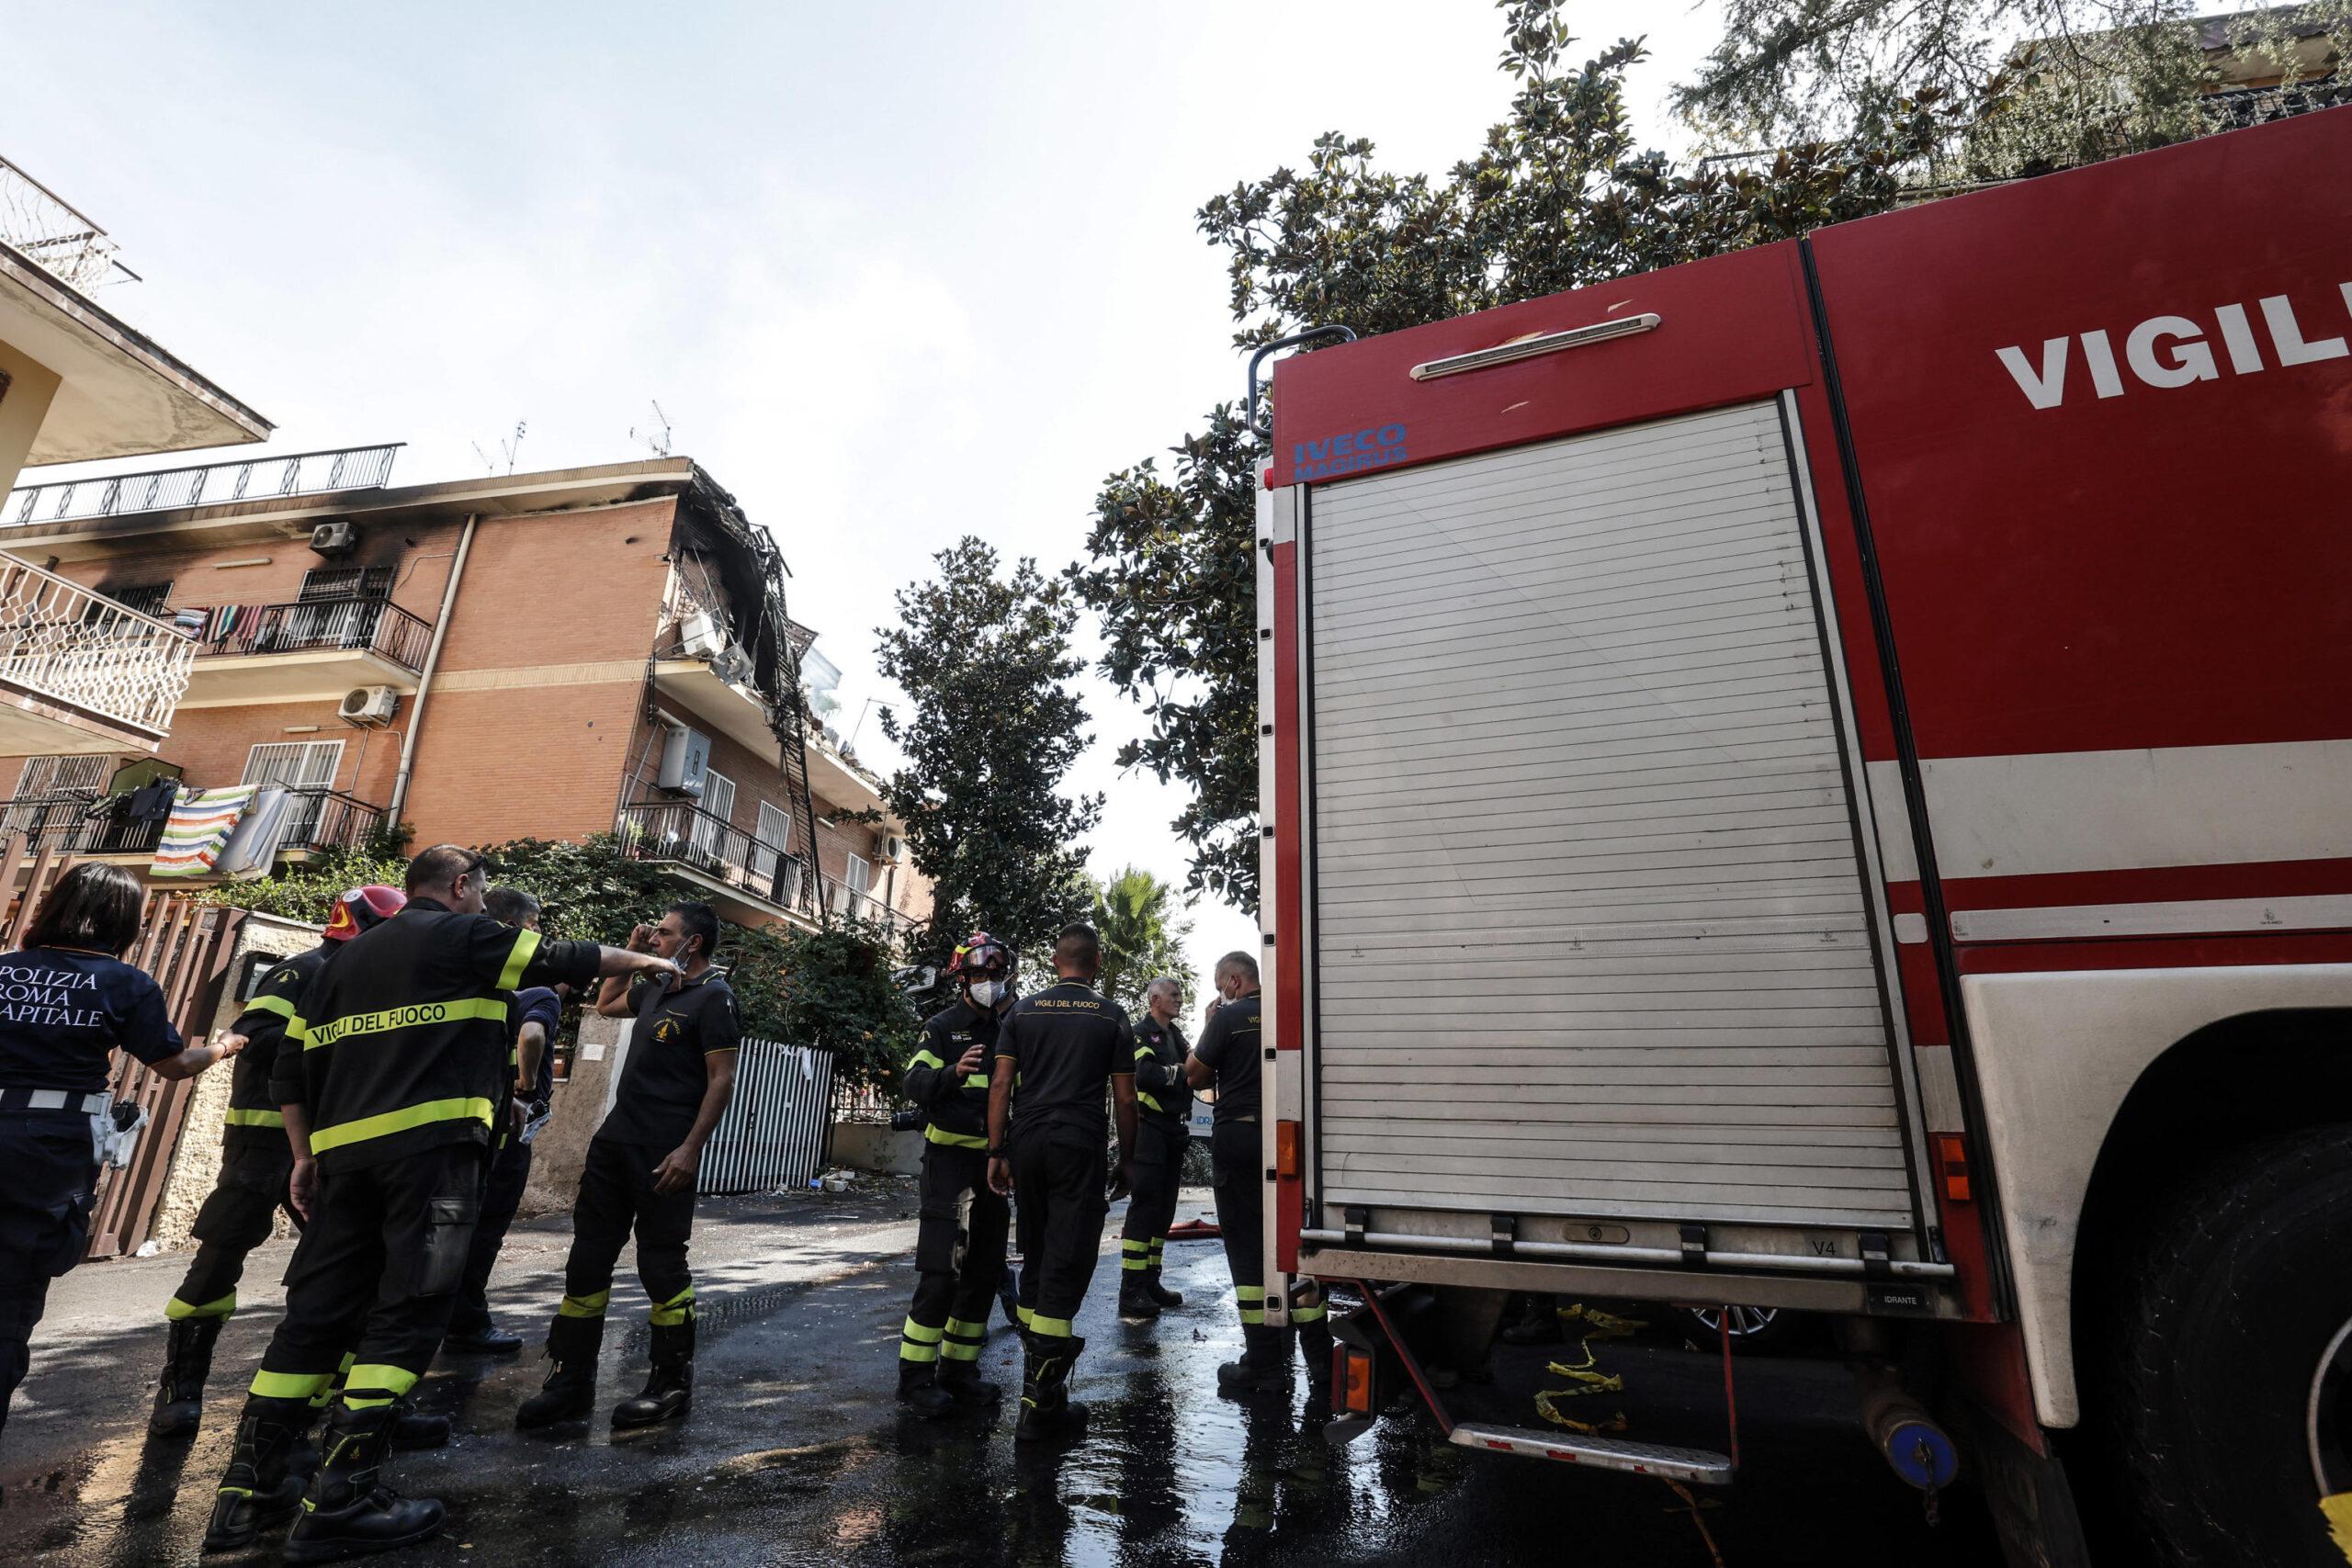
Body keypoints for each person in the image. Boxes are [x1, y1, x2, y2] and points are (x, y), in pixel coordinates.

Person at [203, 845, 679, 1562]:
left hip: (340, 1164)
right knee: (406, 1314)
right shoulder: (460, 934)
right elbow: (561, 955)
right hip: (428, 1161)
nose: (485, 908)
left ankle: (247, 1493)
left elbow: (290, 1069)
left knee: (316, 1316)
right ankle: (341, 1498)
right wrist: (646, 962)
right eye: (481, 896)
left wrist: (302, 1156)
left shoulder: (341, 964)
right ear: (460, 887)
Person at [147, 885, 407, 1438]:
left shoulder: (368, 978)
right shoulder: (302, 971)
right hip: (262, 1146)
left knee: (342, 1266)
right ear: (365, 926)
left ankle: (334, 1392)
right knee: (220, 1258)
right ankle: (181, 1386)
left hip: (326, 1148)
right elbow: (258, 1036)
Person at [1, 863, 243, 1441]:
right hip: (46, 1152)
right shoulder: (126, 984)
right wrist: (223, 1047)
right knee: (10, 1300)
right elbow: (173, 1065)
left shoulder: (5, 972)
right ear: (125, 921)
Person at [515, 899, 739, 1433]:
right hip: (615, 1142)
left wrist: (690, 1150)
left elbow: (721, 1081)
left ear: (695, 943)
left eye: (664, 934)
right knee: (588, 1259)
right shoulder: (659, 986)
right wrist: (634, 951)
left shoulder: (715, 998)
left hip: (665, 1152)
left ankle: (669, 1383)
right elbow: (607, 1003)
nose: (656, 938)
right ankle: (571, 1380)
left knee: (660, 1266)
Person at [985, 921, 1137, 1443]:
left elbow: (1002, 1083)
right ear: (1096, 964)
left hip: (1027, 1143)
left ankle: (1041, 1386)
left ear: (1056, 961)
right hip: (1079, 1145)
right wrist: (1130, 1160)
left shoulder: (1022, 1011)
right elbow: (1126, 1098)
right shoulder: (1112, 1016)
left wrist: (996, 1150)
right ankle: (1041, 1404)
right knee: (1069, 1258)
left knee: (1036, 1249)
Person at [1187, 951, 1329, 1395]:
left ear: (1232, 981)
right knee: (1297, 1243)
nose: (1219, 994)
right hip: (1293, 1144)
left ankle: (1263, 1362)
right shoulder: (1293, 1013)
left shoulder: (1227, 1019)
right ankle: (1322, 1362)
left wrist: (1208, 1021)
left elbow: (1194, 1076)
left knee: (1248, 1248)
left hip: (1241, 1141)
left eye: (1218, 986)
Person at [895, 931, 1015, 1417]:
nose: (987, 983)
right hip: (947, 1167)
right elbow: (913, 1084)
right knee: (940, 1273)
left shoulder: (1015, 1027)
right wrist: (952, 1074)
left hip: (994, 1167)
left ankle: (959, 1371)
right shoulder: (942, 1028)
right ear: (963, 978)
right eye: (978, 975)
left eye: (994, 975)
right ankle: (915, 1378)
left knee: (983, 1272)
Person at [442, 886, 565, 1355]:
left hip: (455, 1126)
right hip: (505, 1131)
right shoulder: (538, 993)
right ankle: (467, 1323)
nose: (537, 938)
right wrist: (526, 1087)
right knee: (485, 1229)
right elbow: (532, 1035)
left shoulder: (465, 982)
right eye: (534, 927)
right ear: (515, 927)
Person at [1117, 975, 1191, 1322]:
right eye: (1173, 995)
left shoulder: (1176, 1035)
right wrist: (1179, 1072)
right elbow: (1145, 1075)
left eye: (1179, 994)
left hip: (1173, 1130)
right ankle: (1131, 1289)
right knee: (1145, 1208)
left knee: (1164, 1210)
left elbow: (1197, 1067)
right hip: (1150, 1130)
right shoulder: (1140, 1032)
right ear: (1155, 1000)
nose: (1179, 999)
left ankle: (1150, 1282)